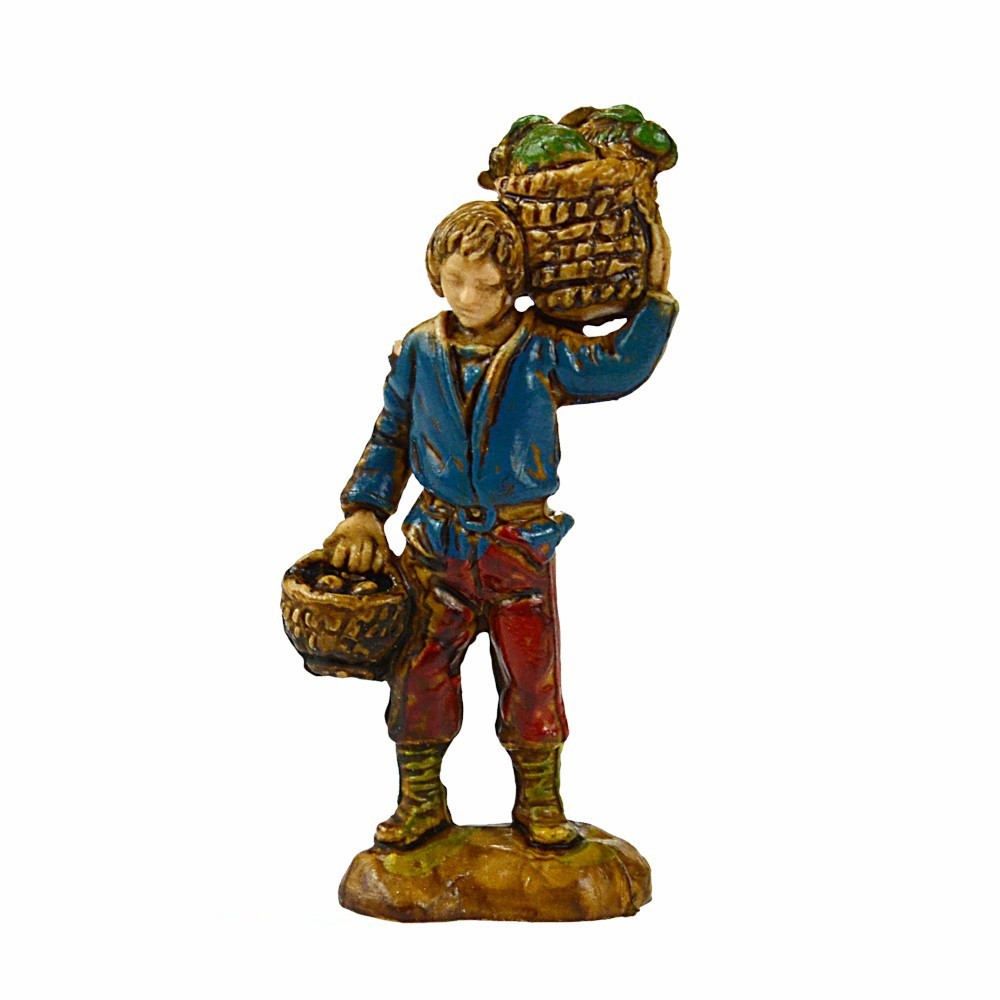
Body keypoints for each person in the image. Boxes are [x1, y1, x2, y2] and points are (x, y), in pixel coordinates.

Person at [324, 200, 678, 849]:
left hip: (517, 549)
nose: (469, 297)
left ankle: (540, 800)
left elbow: (616, 365)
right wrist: (364, 511)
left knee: (532, 676)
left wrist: (654, 301)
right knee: (419, 673)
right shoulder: (419, 350)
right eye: (455, 280)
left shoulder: (542, 348)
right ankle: (420, 799)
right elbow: (391, 433)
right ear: (435, 274)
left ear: (514, 283)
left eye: (486, 285)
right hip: (437, 547)